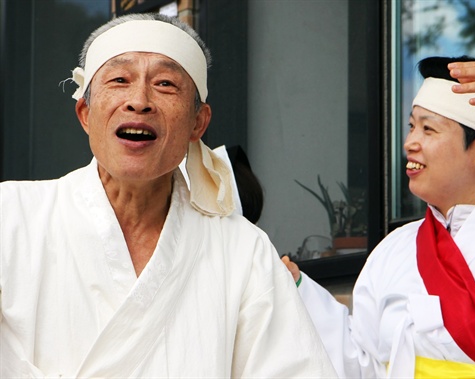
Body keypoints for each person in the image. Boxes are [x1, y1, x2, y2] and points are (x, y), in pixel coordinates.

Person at [0, 13, 337, 378]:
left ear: (198, 123)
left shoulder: (242, 250)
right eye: (119, 80)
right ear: (85, 113)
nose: (139, 101)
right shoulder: (12, 217)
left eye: (164, 84)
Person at [282, 55, 475, 378]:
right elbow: (361, 366)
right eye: (411, 126)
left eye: (428, 130)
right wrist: (297, 291)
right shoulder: (393, 249)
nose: (410, 143)